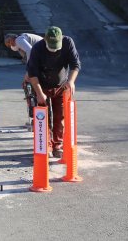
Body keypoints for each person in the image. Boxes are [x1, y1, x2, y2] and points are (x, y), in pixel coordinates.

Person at [26, 26, 81, 158]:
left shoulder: (68, 43)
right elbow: (32, 73)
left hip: (61, 85)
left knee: (59, 116)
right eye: (51, 46)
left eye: (56, 46)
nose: (54, 49)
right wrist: (39, 93)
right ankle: (46, 145)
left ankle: (57, 145)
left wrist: (71, 81)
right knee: (42, 117)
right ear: (44, 39)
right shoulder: (37, 48)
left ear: (61, 39)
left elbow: (75, 64)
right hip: (42, 85)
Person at [4, 32, 43, 127]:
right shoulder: (21, 41)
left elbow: (30, 51)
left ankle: (38, 119)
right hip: (42, 56)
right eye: (8, 45)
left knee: (33, 86)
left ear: (12, 39)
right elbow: (28, 55)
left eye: (9, 43)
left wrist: (29, 71)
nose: (10, 46)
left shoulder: (19, 40)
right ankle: (37, 118)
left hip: (42, 56)